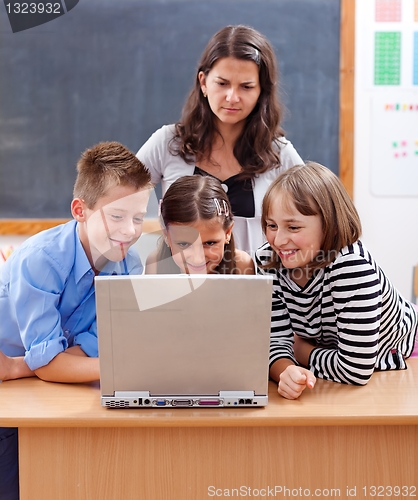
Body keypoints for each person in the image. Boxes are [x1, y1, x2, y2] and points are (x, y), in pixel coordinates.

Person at [0, 141, 151, 500]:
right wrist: (130, 367)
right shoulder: (41, 260)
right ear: (80, 210)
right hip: (7, 397)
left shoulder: (130, 266)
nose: (130, 231)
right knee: (14, 482)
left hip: (42, 383)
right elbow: (54, 365)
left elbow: (83, 353)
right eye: (116, 216)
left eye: (138, 217)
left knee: (81, 474)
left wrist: (28, 366)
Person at [256, 162, 418, 401]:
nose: (278, 240)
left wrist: (303, 352)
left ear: (329, 226)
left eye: (293, 226)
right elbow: (277, 341)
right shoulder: (269, 260)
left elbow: (356, 370)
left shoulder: (351, 267)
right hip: (335, 348)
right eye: (271, 225)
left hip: (403, 350)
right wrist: (285, 371)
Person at [137, 25, 303, 257]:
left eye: (246, 86)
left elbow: (315, 215)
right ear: (203, 82)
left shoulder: (279, 154)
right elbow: (119, 199)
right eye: (222, 83)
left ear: (261, 92)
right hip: (178, 289)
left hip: (254, 286)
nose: (232, 97)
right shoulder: (167, 142)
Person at [146, 175, 254, 275]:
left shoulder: (242, 265)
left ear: (227, 233)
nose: (197, 259)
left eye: (210, 243)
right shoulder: (155, 264)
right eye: (183, 244)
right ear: (166, 235)